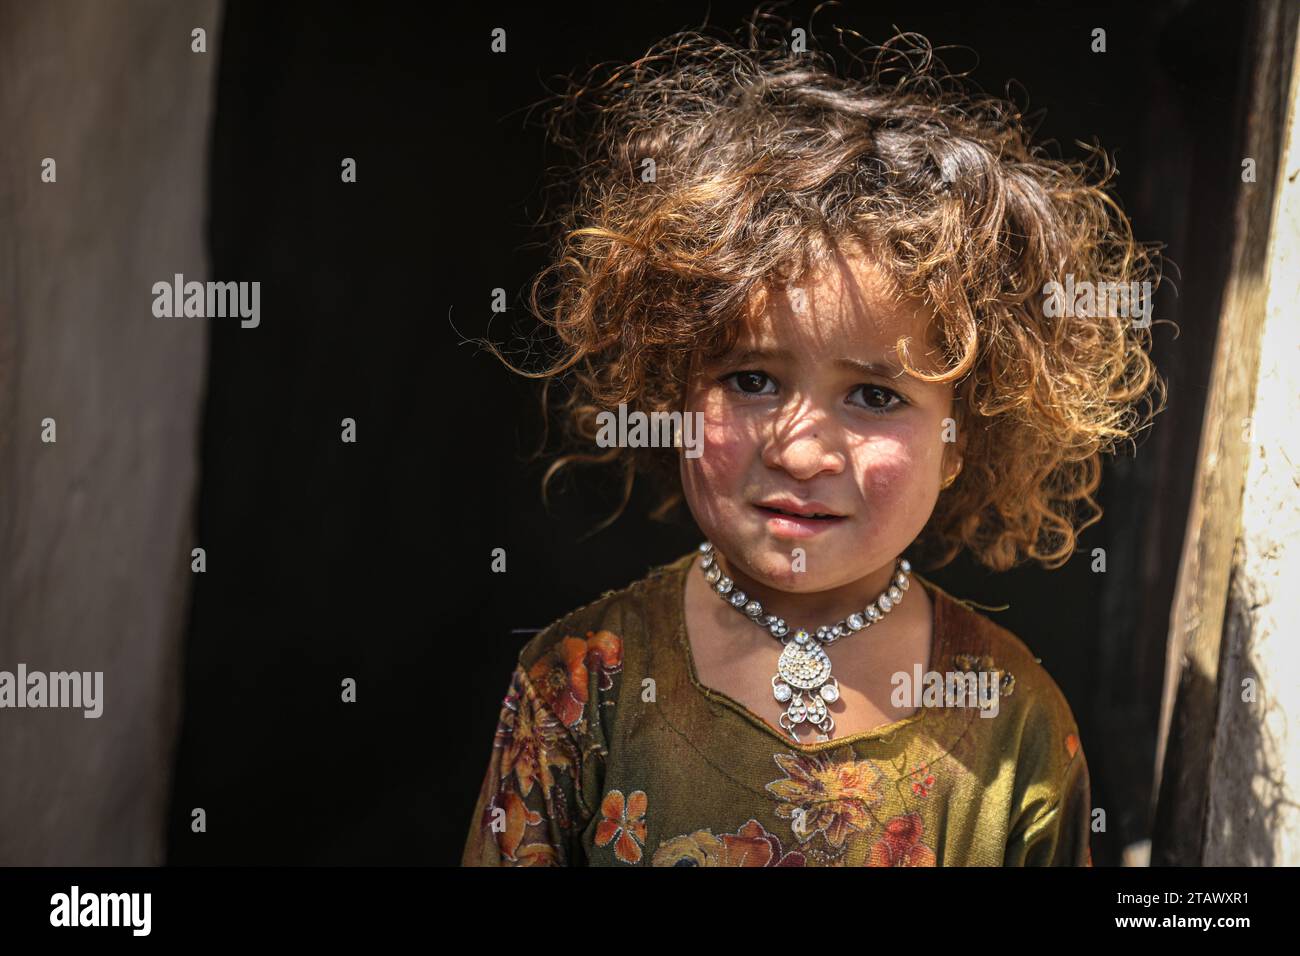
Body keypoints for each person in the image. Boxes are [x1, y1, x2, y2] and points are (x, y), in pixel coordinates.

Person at [461, 20, 1163, 866]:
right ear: (672, 385)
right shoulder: (577, 691)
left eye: (874, 396)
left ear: (960, 440)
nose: (800, 453)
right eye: (752, 380)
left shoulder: (1014, 726)